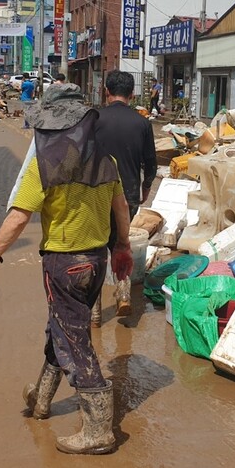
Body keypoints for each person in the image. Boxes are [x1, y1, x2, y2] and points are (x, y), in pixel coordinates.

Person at [0, 83, 133, 456]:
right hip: (97, 259)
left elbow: (18, 218)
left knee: (75, 342)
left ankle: (98, 430)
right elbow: (121, 206)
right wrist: (122, 246)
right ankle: (41, 400)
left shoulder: (45, 162)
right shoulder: (106, 158)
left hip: (64, 264)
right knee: (62, 328)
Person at [92, 70, 157, 322]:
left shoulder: (94, 118)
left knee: (96, 250)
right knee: (122, 243)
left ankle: (95, 310)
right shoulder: (142, 123)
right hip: (128, 194)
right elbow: (150, 162)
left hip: (96, 194)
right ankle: (124, 295)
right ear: (132, 94)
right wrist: (146, 187)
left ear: (106, 91)